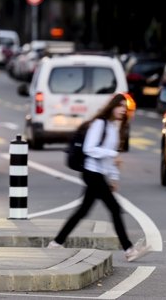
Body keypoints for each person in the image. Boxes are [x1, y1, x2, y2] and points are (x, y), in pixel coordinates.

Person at [47, 93, 152, 262]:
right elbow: (89, 148)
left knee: (83, 210)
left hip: (99, 174)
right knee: (114, 209)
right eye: (120, 107)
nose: (122, 111)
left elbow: (111, 159)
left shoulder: (113, 127)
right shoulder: (99, 124)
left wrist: (113, 177)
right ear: (112, 106)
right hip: (91, 173)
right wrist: (112, 154)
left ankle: (56, 243)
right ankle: (129, 249)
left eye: (125, 109)